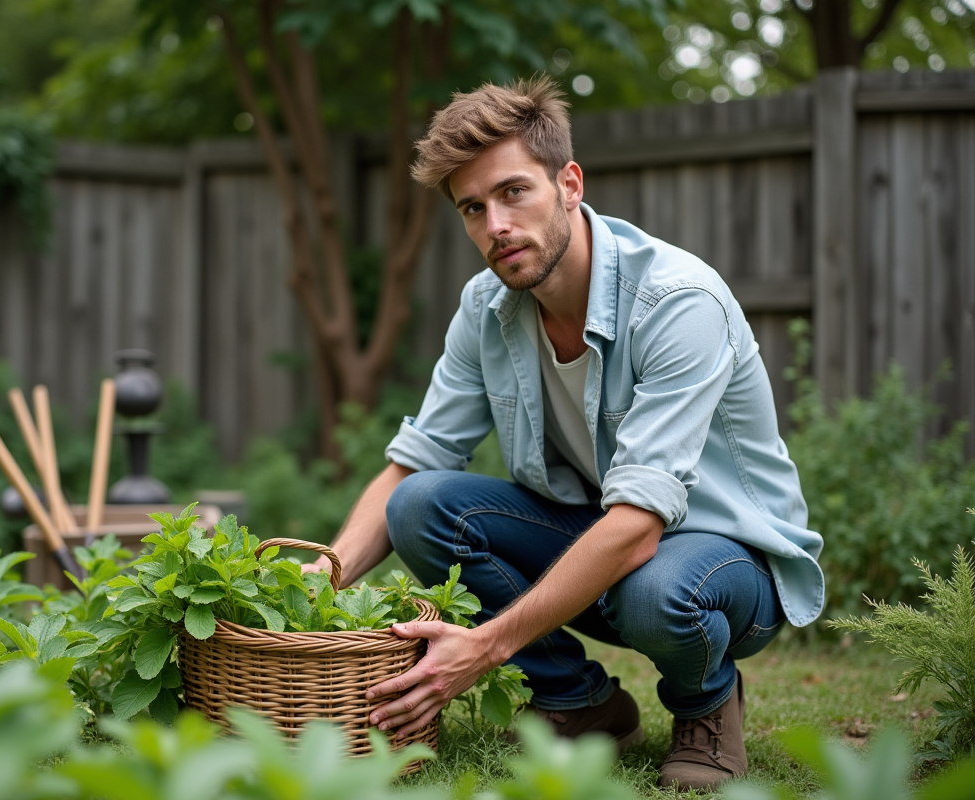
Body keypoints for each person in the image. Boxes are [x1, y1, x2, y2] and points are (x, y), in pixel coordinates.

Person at [304, 76, 824, 792]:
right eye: (473, 208)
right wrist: (318, 583)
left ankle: (706, 704)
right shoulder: (487, 309)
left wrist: (481, 650)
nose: (496, 226)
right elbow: (411, 464)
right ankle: (579, 703)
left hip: (727, 564)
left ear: (569, 182)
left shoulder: (677, 301)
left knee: (656, 587)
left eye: (514, 192)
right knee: (419, 507)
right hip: (601, 542)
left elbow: (640, 528)